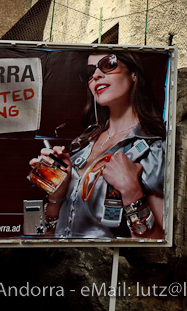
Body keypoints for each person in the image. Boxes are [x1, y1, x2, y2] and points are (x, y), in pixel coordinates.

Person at [30, 52, 166, 239]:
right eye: (89, 72)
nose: (96, 75)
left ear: (134, 74)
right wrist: (55, 195)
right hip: (59, 264)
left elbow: (157, 246)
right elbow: (47, 235)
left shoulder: (155, 150)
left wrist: (131, 190)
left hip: (106, 265)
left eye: (108, 64)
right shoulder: (81, 145)